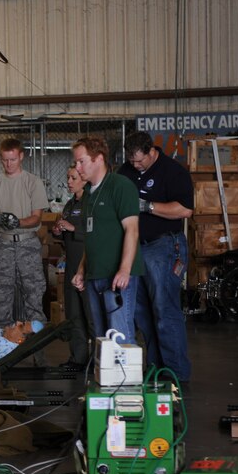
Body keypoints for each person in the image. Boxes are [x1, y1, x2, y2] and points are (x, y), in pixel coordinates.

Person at [118, 131, 193, 382]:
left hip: (164, 246)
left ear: (152, 151)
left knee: (164, 309)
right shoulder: (125, 172)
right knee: (142, 312)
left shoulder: (172, 171)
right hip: (135, 248)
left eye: (139, 160)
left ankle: (175, 373)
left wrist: (146, 205)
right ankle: (155, 368)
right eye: (131, 161)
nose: (135, 165)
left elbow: (185, 209)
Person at [70, 137, 144, 343]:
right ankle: (105, 375)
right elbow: (92, 237)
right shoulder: (87, 194)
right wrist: (82, 269)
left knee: (119, 334)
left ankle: (126, 376)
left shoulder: (120, 186)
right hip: (95, 274)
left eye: (81, 161)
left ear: (98, 159)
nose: (77, 167)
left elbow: (132, 230)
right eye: (75, 162)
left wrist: (124, 270)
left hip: (116, 275)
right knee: (101, 337)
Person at [0, 138, 49, 330]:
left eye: (13, 159)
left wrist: (18, 222)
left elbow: (37, 218)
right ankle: (3, 352)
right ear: (1, 158)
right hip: (1, 245)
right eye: (5, 160)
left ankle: (37, 351)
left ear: (21, 157)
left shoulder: (33, 182)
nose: (9, 164)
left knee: (33, 295)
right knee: (2, 298)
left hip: (27, 244)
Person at [52, 166, 93, 368]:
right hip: (71, 264)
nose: (68, 181)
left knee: (91, 314)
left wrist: (73, 228)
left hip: (87, 265)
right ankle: (78, 358)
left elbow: (97, 232)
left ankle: (97, 359)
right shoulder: (69, 204)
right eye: (67, 177)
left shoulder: (91, 202)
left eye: (73, 178)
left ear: (84, 180)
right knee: (74, 313)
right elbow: (64, 231)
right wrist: (58, 231)